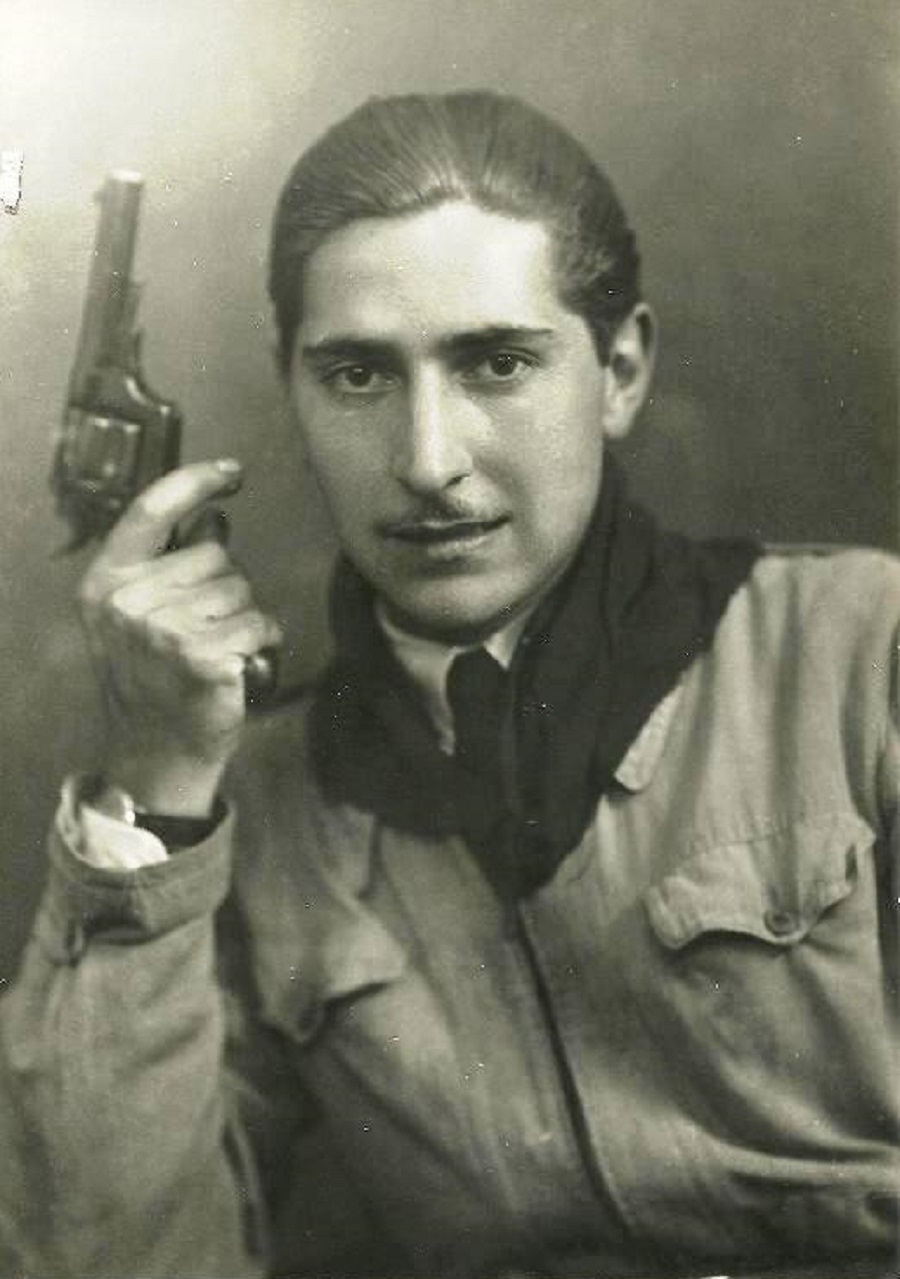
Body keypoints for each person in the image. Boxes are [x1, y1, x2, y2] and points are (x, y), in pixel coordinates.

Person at [0, 90, 897, 1279]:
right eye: (358, 376)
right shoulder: (254, 799)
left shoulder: (863, 658)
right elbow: (106, 1263)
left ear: (621, 372)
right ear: (291, 391)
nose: (428, 461)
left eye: (498, 362)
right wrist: (157, 785)